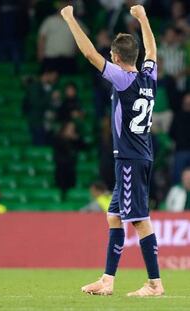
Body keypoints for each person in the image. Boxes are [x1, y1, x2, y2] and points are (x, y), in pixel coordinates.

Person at [61, 5, 164, 296]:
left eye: (112, 57)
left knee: (140, 221)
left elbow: (90, 55)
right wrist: (144, 18)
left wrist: (70, 18)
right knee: (114, 216)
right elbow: (153, 52)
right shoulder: (148, 77)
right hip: (138, 155)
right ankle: (107, 280)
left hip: (131, 158)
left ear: (116, 58)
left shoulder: (123, 79)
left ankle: (154, 283)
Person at [22, 68, 59, 145]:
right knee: (39, 143)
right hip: (37, 121)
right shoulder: (34, 87)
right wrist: (50, 96)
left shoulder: (48, 87)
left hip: (46, 121)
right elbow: (36, 103)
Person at [53, 121, 85, 200]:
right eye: (69, 128)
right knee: (62, 185)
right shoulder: (59, 139)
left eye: (73, 128)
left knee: (72, 185)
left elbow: (85, 147)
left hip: (71, 167)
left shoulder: (76, 139)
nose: (71, 130)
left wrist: (76, 139)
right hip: (61, 167)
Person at [169, 92, 190, 184]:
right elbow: (172, 133)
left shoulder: (178, 115)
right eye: (186, 102)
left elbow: (172, 133)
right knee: (177, 178)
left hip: (181, 151)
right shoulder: (178, 115)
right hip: (180, 151)